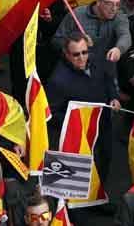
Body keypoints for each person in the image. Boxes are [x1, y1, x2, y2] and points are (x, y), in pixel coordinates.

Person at [45, 34, 120, 186]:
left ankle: (100, 196)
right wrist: (76, 118)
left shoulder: (97, 60)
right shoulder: (58, 81)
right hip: (80, 135)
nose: (82, 58)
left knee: (104, 161)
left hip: (103, 125)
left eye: (84, 52)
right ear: (66, 54)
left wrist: (114, 97)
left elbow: (108, 79)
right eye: (76, 54)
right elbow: (50, 115)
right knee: (81, 174)